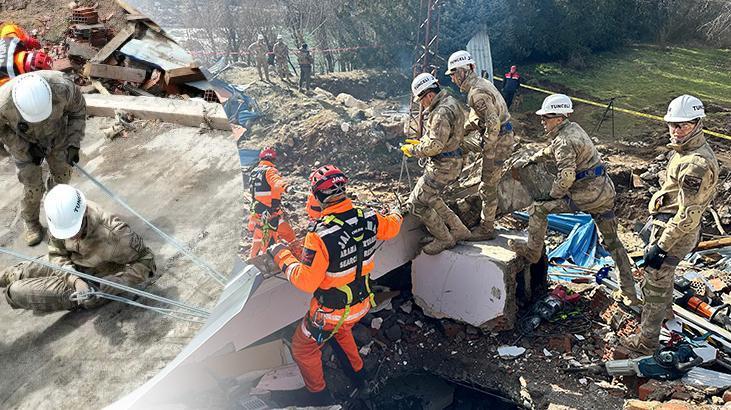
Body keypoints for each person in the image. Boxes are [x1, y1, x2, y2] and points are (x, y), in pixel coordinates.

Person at [267, 164, 402, 405]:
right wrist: (396, 212)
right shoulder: (369, 217)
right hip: (360, 305)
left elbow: (306, 281)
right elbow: (392, 227)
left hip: (329, 313)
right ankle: (361, 380)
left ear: (317, 196)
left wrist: (281, 255)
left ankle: (318, 396)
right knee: (342, 330)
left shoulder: (320, 235)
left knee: (303, 348)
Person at [509, 94, 639, 305]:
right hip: (603, 192)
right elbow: (552, 150)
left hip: (587, 195)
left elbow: (566, 177)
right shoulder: (573, 129)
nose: (543, 121)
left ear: (559, 118)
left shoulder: (563, 140)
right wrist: (533, 158)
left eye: (546, 118)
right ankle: (629, 293)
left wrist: (551, 197)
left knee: (539, 209)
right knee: (613, 242)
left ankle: (532, 252)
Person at [621, 95, 719, 354]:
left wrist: (661, 247)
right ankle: (665, 315)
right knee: (663, 277)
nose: (676, 131)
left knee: (655, 282)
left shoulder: (694, 164)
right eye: (672, 125)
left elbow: (688, 216)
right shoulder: (686, 152)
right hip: (669, 225)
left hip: (675, 231)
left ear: (698, 124)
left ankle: (646, 343)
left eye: (683, 125)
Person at [0, 184, 156, 312]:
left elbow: (147, 260)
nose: (71, 237)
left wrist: (120, 282)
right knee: (14, 274)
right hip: (73, 265)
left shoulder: (116, 235)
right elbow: (56, 254)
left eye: (75, 231)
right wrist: (74, 280)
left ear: (85, 213)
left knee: (16, 291)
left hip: (95, 281)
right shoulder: (62, 217)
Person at [0, 71, 85, 246]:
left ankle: (57, 210)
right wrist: (25, 148)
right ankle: (31, 222)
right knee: (33, 187)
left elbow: (78, 112)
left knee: (62, 177)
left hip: (58, 134)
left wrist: (73, 143)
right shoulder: (3, 104)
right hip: (23, 141)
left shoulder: (64, 88)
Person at [445, 50, 515, 241]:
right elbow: (477, 120)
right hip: (499, 136)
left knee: (488, 186)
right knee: (461, 147)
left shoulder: (477, 93)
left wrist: (487, 148)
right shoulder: (478, 86)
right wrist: (461, 132)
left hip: (498, 139)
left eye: (453, 74)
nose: (452, 79)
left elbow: (492, 124)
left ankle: (486, 228)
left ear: (464, 71)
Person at [401, 73, 471, 254]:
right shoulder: (450, 102)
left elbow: (435, 146)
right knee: (430, 197)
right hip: (453, 161)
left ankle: (444, 238)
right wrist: (422, 142)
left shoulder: (440, 112)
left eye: (421, 100)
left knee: (416, 203)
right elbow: (439, 137)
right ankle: (458, 228)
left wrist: (414, 150)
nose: (422, 104)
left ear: (429, 95)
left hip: (443, 166)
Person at [248, 147, 296, 258]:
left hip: (256, 214)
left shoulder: (254, 172)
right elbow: (276, 182)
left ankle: (252, 260)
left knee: (257, 241)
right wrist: (287, 187)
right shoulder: (270, 170)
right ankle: (270, 265)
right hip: (269, 216)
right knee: (272, 244)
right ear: (274, 159)